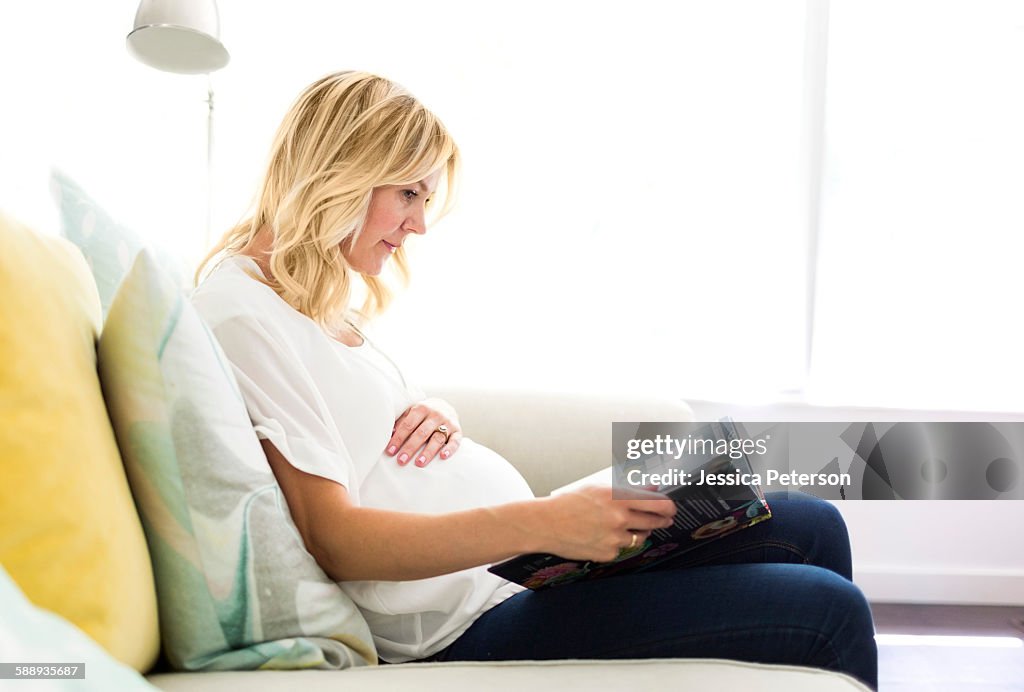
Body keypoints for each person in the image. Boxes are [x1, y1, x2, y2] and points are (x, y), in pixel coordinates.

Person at [191, 70, 878, 689]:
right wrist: (546, 521)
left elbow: (360, 430)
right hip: (467, 623)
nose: (420, 225)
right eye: (408, 193)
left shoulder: (308, 300)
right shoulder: (242, 315)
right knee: (829, 612)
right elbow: (335, 538)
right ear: (342, 169)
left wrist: (432, 410)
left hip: (517, 573)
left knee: (812, 522)